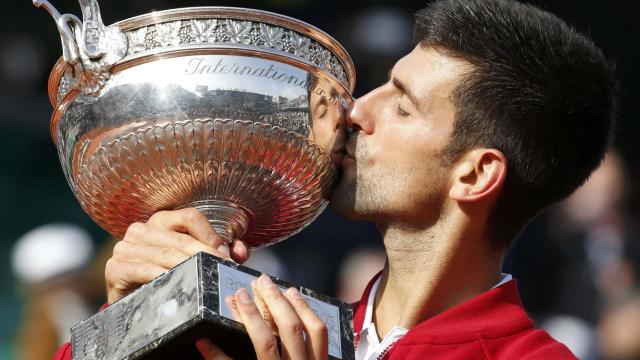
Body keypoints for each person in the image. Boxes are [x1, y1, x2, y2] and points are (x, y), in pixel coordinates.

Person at [53, 0, 616, 359]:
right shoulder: (274, 328)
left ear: (475, 174)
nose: (354, 111)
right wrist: (127, 328)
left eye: (402, 106)